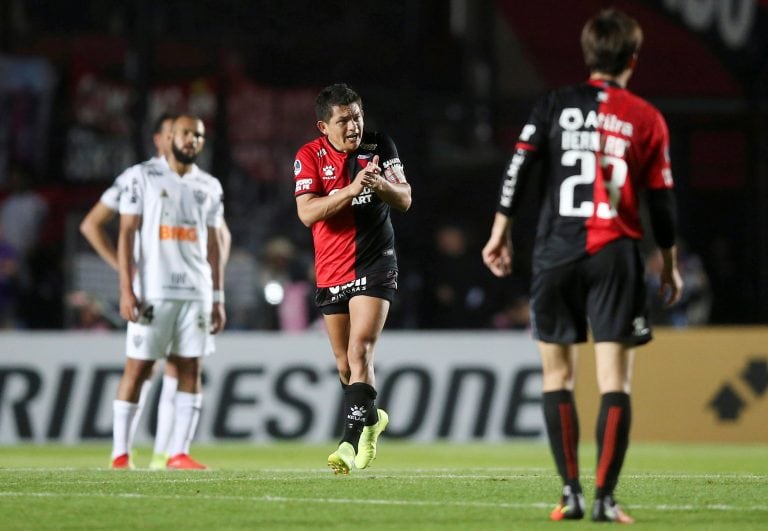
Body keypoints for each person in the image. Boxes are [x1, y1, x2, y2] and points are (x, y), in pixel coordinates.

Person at [482, 9, 683, 524]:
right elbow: (662, 202)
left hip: (555, 253)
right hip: (615, 254)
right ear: (633, 61)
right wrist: (670, 264)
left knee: (557, 378)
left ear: (588, 56)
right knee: (615, 379)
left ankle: (569, 493)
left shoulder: (552, 103)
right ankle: (604, 500)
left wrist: (500, 231)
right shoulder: (646, 117)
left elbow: (518, 167)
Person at [82, 113, 231, 470]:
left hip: (195, 291)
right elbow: (126, 231)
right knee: (138, 368)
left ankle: (178, 452)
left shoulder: (209, 185)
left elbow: (214, 242)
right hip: (153, 291)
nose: (191, 140)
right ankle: (121, 454)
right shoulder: (141, 177)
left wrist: (217, 296)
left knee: (190, 368)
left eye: (198, 135)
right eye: (185, 133)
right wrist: (126, 286)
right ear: (168, 137)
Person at [293, 83, 411, 474]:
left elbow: (406, 198)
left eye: (358, 116)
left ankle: (346, 442)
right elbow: (308, 213)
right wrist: (352, 189)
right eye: (343, 120)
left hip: (376, 262)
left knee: (361, 351)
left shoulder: (380, 146)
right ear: (322, 126)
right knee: (345, 365)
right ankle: (372, 420)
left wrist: (382, 186)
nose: (354, 126)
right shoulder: (308, 156)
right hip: (332, 269)